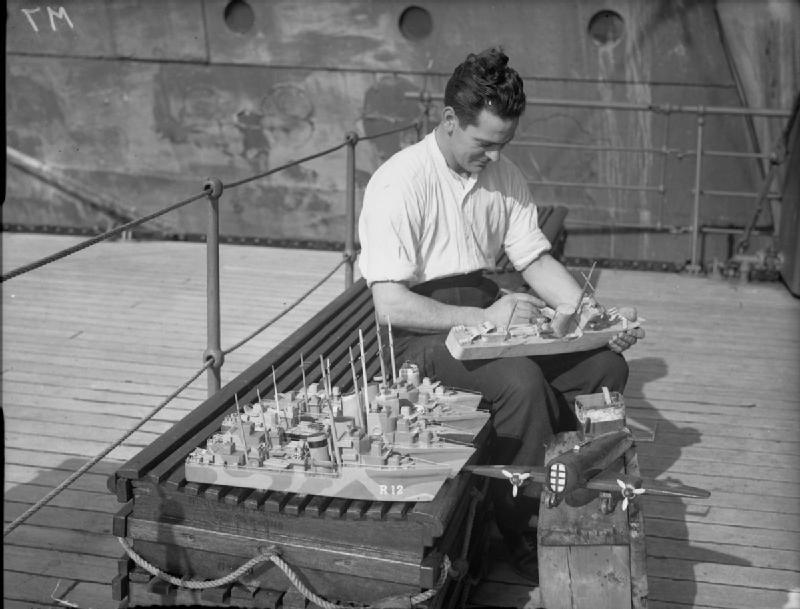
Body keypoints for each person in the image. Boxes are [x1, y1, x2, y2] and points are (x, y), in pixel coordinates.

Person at [357, 47, 643, 582]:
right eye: (483, 143)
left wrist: (594, 317)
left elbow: (533, 258)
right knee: (521, 382)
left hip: (488, 310)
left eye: (502, 144)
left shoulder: (504, 174)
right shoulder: (398, 183)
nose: (492, 156)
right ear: (448, 121)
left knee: (605, 369)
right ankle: (526, 524)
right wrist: (488, 316)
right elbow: (390, 305)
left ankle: (564, 485)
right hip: (421, 331)